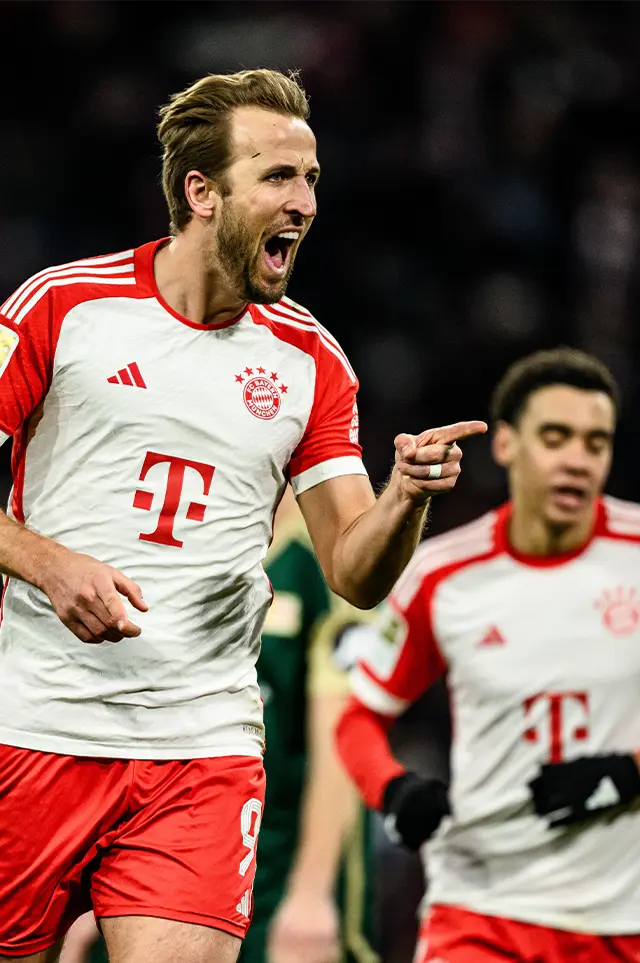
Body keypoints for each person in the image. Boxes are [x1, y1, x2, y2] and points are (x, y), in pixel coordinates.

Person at [0, 68, 486, 963]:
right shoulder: (60, 308)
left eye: (311, 180)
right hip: (34, 726)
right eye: (277, 177)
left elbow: (354, 569)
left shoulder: (311, 359)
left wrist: (405, 498)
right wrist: (45, 561)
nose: (303, 202)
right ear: (201, 193)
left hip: (203, 743)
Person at [336, 347, 640, 963]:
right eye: (556, 437)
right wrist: (393, 791)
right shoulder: (444, 575)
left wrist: (629, 768)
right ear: (505, 445)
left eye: (595, 442)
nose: (577, 461)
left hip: (621, 915)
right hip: (481, 909)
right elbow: (359, 717)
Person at [60, 486, 378, 963]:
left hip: (286, 856)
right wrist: (88, 878)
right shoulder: (172, 537)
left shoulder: (332, 558)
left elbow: (342, 740)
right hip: (170, 843)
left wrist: (311, 893)